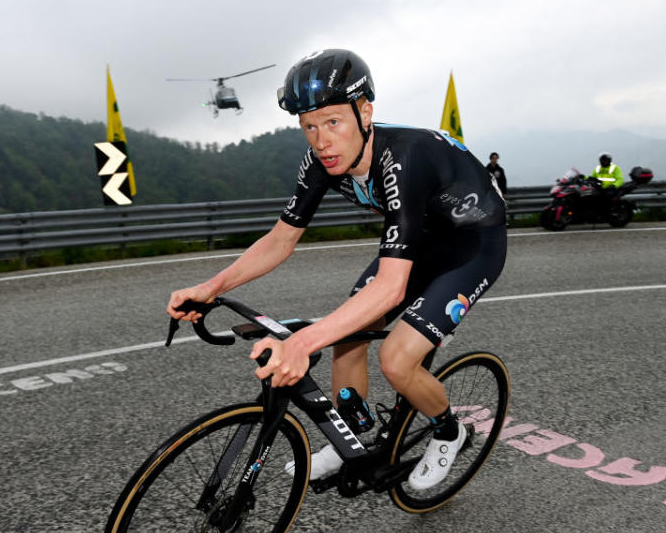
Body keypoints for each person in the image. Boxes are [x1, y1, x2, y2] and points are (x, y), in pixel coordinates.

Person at [167, 49, 507, 490]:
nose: (321, 139)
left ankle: (448, 431)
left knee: (397, 359)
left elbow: (389, 288)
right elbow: (281, 239)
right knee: (347, 335)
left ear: (365, 112)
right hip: (421, 239)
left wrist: (302, 344)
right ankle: (352, 429)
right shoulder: (322, 162)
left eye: (332, 122)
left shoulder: (404, 158)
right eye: (309, 126)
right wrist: (210, 287)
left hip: (472, 245)